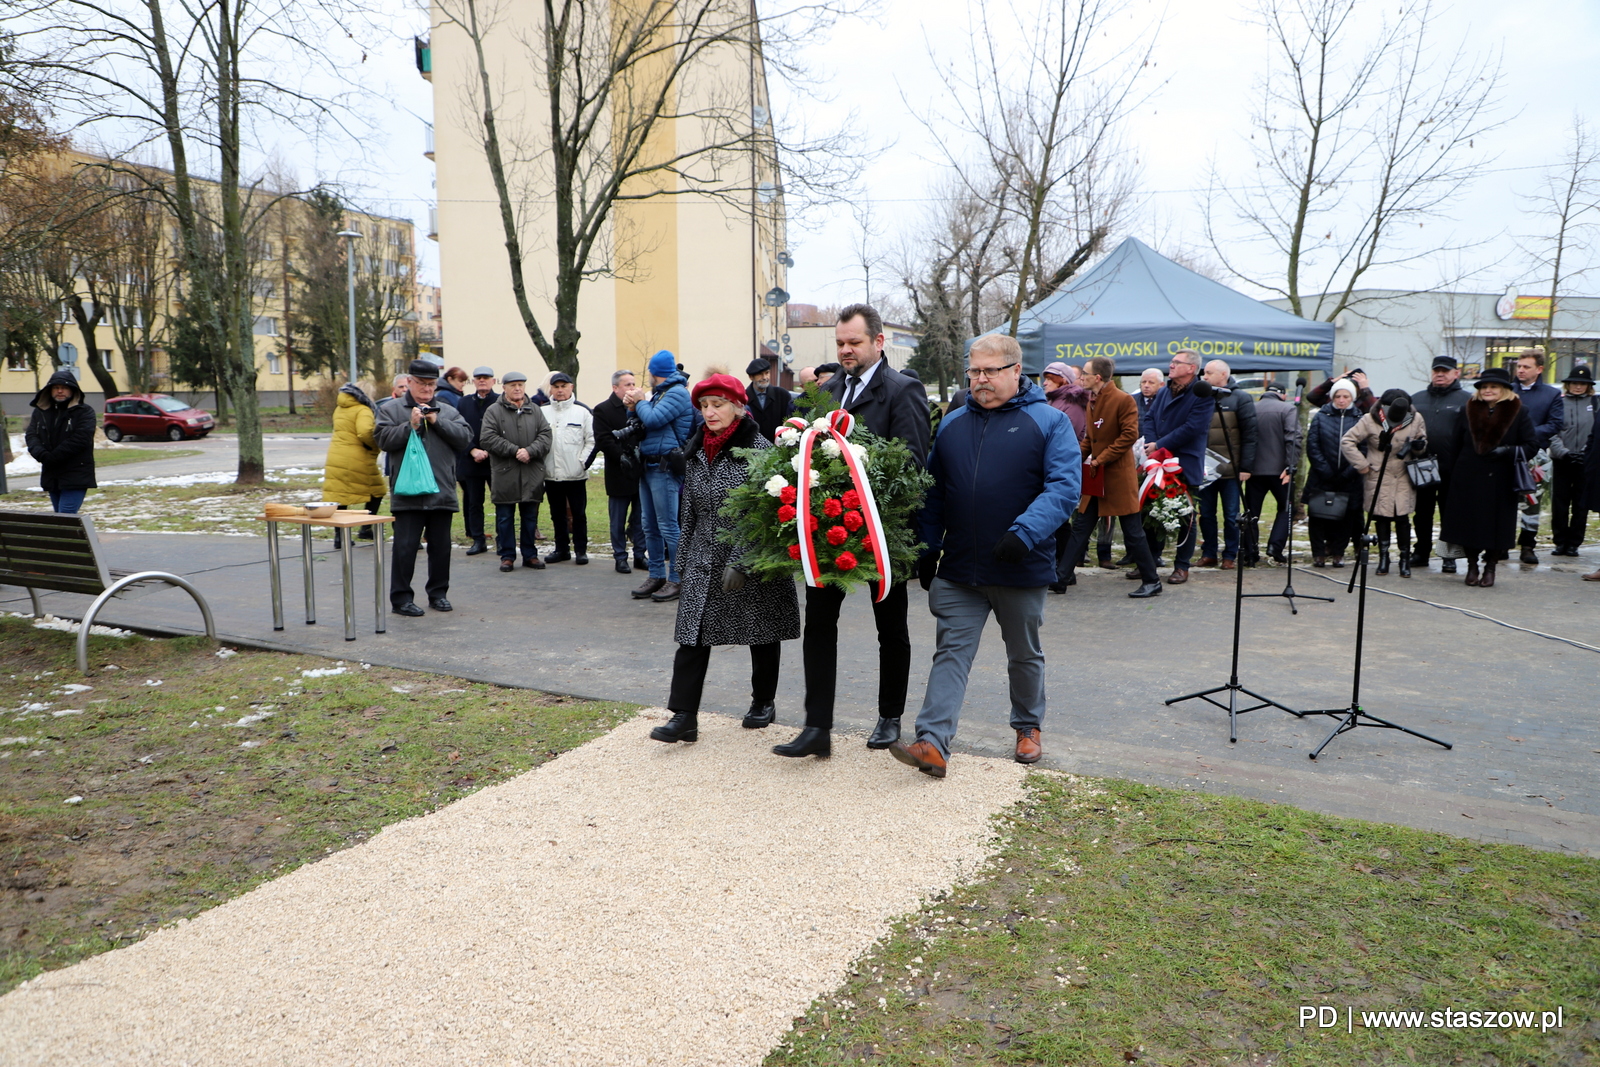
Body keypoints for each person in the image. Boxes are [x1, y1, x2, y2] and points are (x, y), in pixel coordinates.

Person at [887, 334, 1080, 779]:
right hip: (960, 567)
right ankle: (932, 742)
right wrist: (928, 548)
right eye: (974, 371)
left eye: (990, 371)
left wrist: (1024, 533)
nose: (980, 379)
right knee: (951, 652)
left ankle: (1027, 726)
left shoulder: (1049, 422)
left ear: (1016, 371)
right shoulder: (953, 424)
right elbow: (933, 496)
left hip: (1020, 563)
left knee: (1024, 653)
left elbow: (1064, 487)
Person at [772, 303, 931, 759]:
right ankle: (816, 727)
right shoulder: (829, 389)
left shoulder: (903, 389)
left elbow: (913, 462)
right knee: (819, 623)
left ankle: (888, 717)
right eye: (840, 343)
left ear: (878, 342)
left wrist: (858, 480)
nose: (845, 350)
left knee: (890, 625)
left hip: (884, 530)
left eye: (854, 343)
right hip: (827, 527)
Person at [649, 375, 802, 745]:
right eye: (704, 405)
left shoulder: (760, 450)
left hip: (749, 557)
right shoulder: (698, 448)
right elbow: (689, 511)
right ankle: (683, 716)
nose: (710, 412)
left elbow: (766, 515)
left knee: (760, 629)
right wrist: (682, 562)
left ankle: (763, 701)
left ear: (737, 406)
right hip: (704, 554)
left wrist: (744, 561)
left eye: (718, 404)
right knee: (692, 635)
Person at [1053, 356, 1161, 597]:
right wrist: (1071, 459)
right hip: (1097, 477)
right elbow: (1090, 439)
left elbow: (1128, 436)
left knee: (1133, 532)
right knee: (1081, 527)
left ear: (1097, 377)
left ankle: (1152, 580)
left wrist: (1100, 459)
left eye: (1085, 375)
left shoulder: (1123, 400)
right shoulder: (1092, 399)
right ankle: (1061, 578)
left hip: (1117, 478)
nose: (1081, 379)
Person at [373, 359, 473, 615]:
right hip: (407, 492)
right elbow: (383, 440)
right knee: (404, 548)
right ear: (409, 382)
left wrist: (438, 421)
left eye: (432, 384)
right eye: (422, 384)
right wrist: (411, 426)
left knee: (441, 549)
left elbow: (465, 438)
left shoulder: (447, 410)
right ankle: (401, 599)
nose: (428, 389)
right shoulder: (392, 409)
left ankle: (438, 594)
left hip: (441, 491)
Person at [1440, 366, 1537, 587]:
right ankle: (1472, 565)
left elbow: (1531, 445)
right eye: (1484, 386)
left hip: (1500, 478)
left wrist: (1506, 451)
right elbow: (1455, 444)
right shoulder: (1469, 409)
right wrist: (1452, 474)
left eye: (1493, 386)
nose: (1488, 390)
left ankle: (1490, 567)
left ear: (1504, 389)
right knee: (1469, 525)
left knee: (1496, 527)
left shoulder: (1519, 411)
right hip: (1468, 476)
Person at [625, 349, 694, 601]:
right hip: (648, 465)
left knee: (668, 526)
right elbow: (641, 426)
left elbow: (653, 420)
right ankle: (656, 575)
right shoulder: (661, 394)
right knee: (649, 526)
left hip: (664, 468)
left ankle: (677, 579)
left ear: (656, 373)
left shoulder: (676, 393)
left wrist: (640, 401)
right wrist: (632, 409)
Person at [1142, 348, 1215, 584]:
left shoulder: (1202, 394)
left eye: (1176, 362)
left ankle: (1182, 566)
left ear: (1191, 368)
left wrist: (1159, 444)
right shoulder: (1164, 391)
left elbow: (1192, 428)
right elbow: (1149, 418)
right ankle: (1150, 562)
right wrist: (1153, 445)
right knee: (1153, 512)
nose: (1171, 365)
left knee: (1186, 516)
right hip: (1158, 462)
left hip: (1183, 462)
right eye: (1172, 362)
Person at [1341, 388, 1427, 577]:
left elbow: (1421, 440)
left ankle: (1404, 559)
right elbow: (1347, 441)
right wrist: (1362, 465)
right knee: (1381, 517)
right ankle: (1383, 557)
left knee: (1402, 518)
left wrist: (1420, 446)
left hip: (1403, 474)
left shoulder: (1415, 418)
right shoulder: (1370, 419)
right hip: (1378, 474)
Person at [479, 371, 552, 573]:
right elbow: (487, 438)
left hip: (531, 472)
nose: (517, 388)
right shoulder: (494, 411)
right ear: (504, 388)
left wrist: (530, 451)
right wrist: (514, 451)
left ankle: (530, 555)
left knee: (530, 518)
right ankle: (507, 556)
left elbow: (546, 436)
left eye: (520, 384)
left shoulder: (535, 410)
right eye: (513, 385)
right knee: (505, 517)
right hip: (505, 473)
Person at [1409, 355, 1470, 574]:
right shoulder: (1416, 399)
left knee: (1450, 514)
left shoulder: (1467, 400)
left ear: (1456, 373)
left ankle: (1448, 555)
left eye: (1445, 371)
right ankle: (1421, 552)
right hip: (1422, 466)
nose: (1440, 374)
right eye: (1436, 371)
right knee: (1422, 513)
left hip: (1452, 468)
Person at [1196, 360, 1258, 569]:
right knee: (1205, 514)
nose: (1204, 377)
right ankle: (1209, 553)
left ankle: (1230, 555)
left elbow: (1251, 435)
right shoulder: (1200, 397)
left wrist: (1246, 467)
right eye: (1204, 373)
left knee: (1232, 515)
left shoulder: (1241, 398)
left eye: (1209, 373)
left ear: (1223, 375)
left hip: (1231, 471)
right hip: (1206, 470)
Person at [590, 369, 649, 574]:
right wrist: (624, 458)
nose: (632, 388)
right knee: (618, 519)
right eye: (627, 385)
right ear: (615, 388)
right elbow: (604, 440)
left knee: (642, 518)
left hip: (641, 471)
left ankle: (640, 555)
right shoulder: (602, 410)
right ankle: (620, 557)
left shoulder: (642, 407)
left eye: (634, 384)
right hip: (619, 472)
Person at [1304, 379, 1364, 567]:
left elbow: (1363, 448)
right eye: (1337, 396)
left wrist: (1349, 471)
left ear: (1351, 398)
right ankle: (1318, 554)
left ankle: (1338, 553)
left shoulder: (1359, 418)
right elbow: (1313, 445)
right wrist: (1325, 470)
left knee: (1346, 518)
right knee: (1318, 516)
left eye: (1345, 396)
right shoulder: (1321, 416)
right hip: (1322, 476)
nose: (1341, 400)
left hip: (1349, 477)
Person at [1511, 349, 1564, 564]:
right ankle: (1500, 545)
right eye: (1519, 366)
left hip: (1535, 456)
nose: (1521, 370)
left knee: (1531, 502)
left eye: (1526, 367)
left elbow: (1555, 424)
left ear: (1539, 369)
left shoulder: (1551, 394)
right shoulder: (1507, 390)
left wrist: (1529, 435)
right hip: (1507, 452)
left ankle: (1527, 545)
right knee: (1503, 500)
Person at [1240, 382, 1301, 566]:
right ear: (1282, 395)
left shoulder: (1251, 408)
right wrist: (1291, 465)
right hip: (1280, 471)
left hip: (1254, 471)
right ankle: (1275, 547)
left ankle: (1250, 552)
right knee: (1286, 508)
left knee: (1251, 512)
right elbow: (1294, 437)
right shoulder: (1288, 409)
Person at [322, 382, 386, 548]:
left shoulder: (340, 407)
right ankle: (366, 527)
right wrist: (375, 445)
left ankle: (339, 536)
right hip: (357, 457)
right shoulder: (363, 409)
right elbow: (365, 432)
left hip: (336, 454)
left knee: (340, 496)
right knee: (378, 491)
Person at [540, 371, 595, 565]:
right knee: (557, 514)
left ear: (571, 387)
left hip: (575, 475)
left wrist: (582, 462)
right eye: (556, 387)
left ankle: (581, 550)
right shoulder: (543, 412)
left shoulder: (582, 412)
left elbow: (591, 441)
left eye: (564, 386)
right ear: (551, 389)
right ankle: (561, 549)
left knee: (579, 514)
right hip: (551, 473)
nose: (560, 390)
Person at [25, 369, 96, 514]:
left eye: (64, 388)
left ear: (72, 390)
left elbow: (81, 439)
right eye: (56, 388)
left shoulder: (84, 412)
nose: (60, 391)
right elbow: (32, 435)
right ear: (50, 390)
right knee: (60, 517)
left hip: (76, 473)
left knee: (65, 515)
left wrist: (53, 457)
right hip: (52, 475)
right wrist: (42, 455)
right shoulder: (41, 411)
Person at [1550, 365, 1596, 556]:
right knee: (1559, 502)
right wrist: (1564, 452)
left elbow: (1596, 431)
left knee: (1581, 503)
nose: (1578, 387)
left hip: (1586, 461)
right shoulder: (1558, 402)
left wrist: (1587, 452)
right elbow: (1552, 430)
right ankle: (1560, 541)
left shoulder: (1596, 403)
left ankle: (1574, 543)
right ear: (1568, 384)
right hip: (1562, 460)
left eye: (1582, 384)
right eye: (1575, 383)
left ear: (1588, 386)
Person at [455, 367, 499, 556]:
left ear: (494, 381)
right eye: (479, 378)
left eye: (486, 378)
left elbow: (505, 429)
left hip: (496, 460)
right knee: (474, 502)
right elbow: (458, 429)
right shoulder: (464, 403)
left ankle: (503, 540)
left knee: (501, 501)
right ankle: (478, 540)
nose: (482, 381)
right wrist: (472, 449)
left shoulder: (500, 401)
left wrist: (489, 450)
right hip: (471, 461)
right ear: (473, 381)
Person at [744, 357, 794, 440]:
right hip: (751, 450)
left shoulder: (782, 395)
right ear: (751, 377)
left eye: (767, 373)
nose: (764, 377)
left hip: (778, 448)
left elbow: (790, 422)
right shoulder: (743, 397)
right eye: (760, 374)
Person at [1041, 361, 1089, 436]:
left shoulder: (1073, 402)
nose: (1044, 383)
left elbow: (1066, 435)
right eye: (1045, 379)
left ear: (1063, 380)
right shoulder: (1052, 400)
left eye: (1049, 379)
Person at [1308, 368, 1376, 413]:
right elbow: (1312, 397)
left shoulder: (1364, 402)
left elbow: (1374, 410)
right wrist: (1332, 382)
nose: (1341, 400)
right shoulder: (1335, 400)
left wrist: (1365, 389)